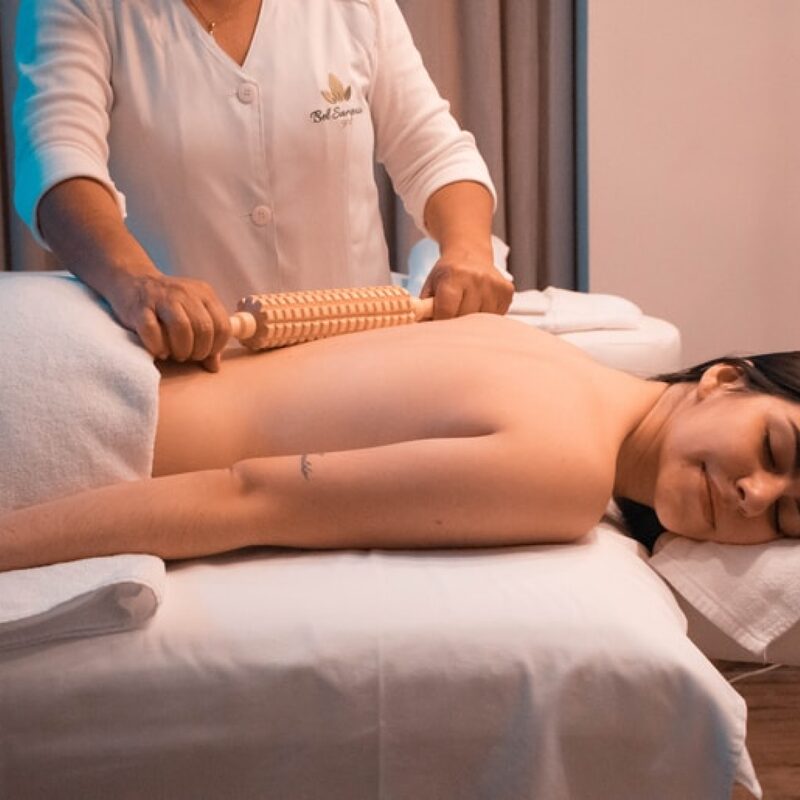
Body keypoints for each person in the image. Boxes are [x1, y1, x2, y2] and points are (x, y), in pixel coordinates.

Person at [2, 312, 799, 573]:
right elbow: (248, 496)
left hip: (69, 343)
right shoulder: (568, 473)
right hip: (73, 423)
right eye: (775, 449)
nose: (753, 495)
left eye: (786, 517)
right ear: (724, 379)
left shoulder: (541, 348)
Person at [13, 0, 513, 372]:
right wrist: (137, 284)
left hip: (363, 363)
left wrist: (468, 251)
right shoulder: (81, 7)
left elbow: (433, 151)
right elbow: (57, 162)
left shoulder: (353, 7)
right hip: (197, 372)